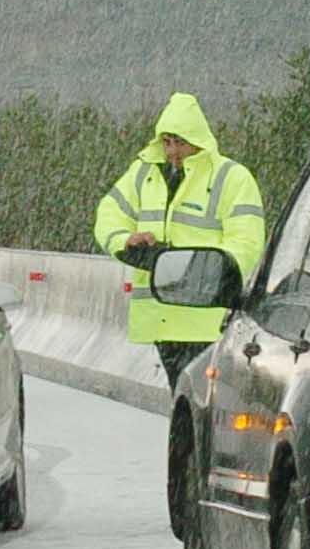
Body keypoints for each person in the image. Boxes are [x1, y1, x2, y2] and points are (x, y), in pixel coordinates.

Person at [93, 93, 266, 387]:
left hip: (206, 322)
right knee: (185, 405)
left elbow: (247, 242)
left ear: (197, 140)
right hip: (162, 320)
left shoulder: (231, 178)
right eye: (167, 141)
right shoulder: (144, 174)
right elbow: (108, 215)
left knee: (203, 407)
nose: (172, 150)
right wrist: (126, 242)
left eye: (180, 142)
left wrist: (202, 272)